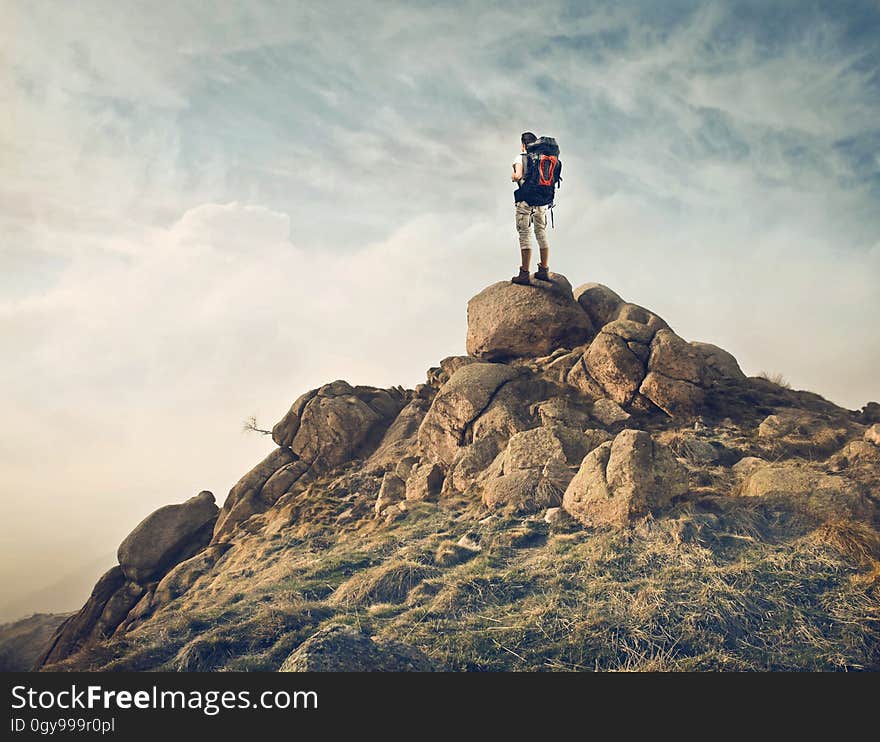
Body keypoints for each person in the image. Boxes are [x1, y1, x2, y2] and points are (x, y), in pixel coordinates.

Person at [511, 131, 551, 285]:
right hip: (542, 201)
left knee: (525, 234)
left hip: (525, 201)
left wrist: (513, 175)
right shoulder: (545, 159)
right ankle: (544, 270)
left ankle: (524, 274)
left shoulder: (520, 157)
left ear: (523, 145)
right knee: (541, 232)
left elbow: (519, 175)